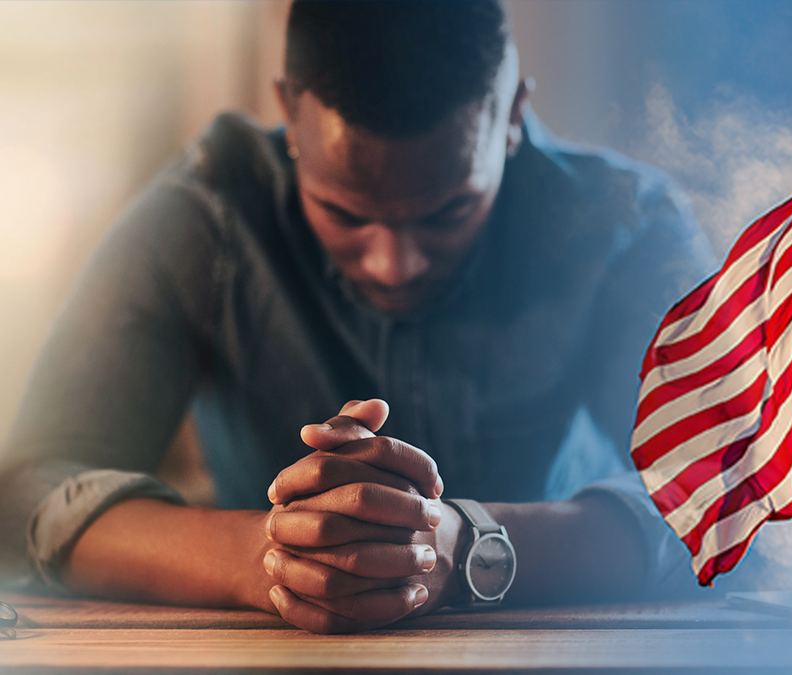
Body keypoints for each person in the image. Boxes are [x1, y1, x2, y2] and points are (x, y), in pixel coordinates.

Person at [0, 1, 713, 633]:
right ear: (289, 116)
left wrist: (463, 544)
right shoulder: (211, 212)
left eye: (448, 212)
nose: (392, 264)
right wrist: (267, 556)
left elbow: (734, 486)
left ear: (513, 118)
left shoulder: (624, 228)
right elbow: (26, 488)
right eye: (343, 212)